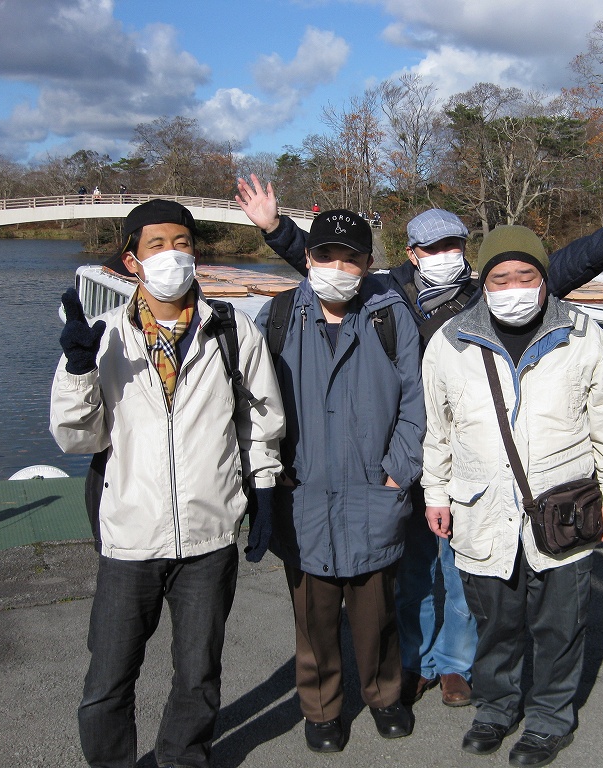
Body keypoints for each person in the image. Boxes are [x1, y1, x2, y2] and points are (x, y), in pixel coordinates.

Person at [235, 173, 603, 710]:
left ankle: (457, 665)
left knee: (461, 571)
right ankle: (417, 660)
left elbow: (560, 267)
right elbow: (333, 262)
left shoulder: (484, 290)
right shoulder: (387, 290)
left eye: (454, 245)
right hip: (407, 449)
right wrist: (276, 229)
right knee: (412, 568)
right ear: (413, 253)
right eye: (433, 246)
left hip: (465, 456)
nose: (445, 254)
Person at [50, 199, 287, 768]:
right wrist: (80, 371)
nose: (172, 254)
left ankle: (184, 759)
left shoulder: (231, 330)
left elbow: (261, 418)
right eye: (156, 244)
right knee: (108, 677)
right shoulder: (101, 337)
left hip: (208, 535)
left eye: (181, 242)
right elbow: (75, 440)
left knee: (199, 673)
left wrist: (265, 488)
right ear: (132, 260)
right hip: (130, 535)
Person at [421, 225, 603, 768]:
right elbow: (438, 428)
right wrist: (436, 492)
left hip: (564, 509)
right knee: (494, 621)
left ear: (544, 280)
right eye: (501, 276)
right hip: (480, 507)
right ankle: (495, 708)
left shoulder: (582, 333)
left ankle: (548, 719)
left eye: (527, 275)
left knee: (560, 624)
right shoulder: (450, 341)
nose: (514, 285)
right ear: (485, 281)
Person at [247, 209, 425, 754]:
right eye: (326, 255)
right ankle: (320, 708)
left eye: (351, 257)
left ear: (369, 263)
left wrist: (398, 470)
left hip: (374, 493)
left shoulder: (390, 316)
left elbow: (417, 408)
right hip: (301, 497)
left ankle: (384, 694)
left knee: (378, 614)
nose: (338, 267)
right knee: (314, 618)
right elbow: (248, 405)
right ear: (308, 257)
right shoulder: (275, 318)